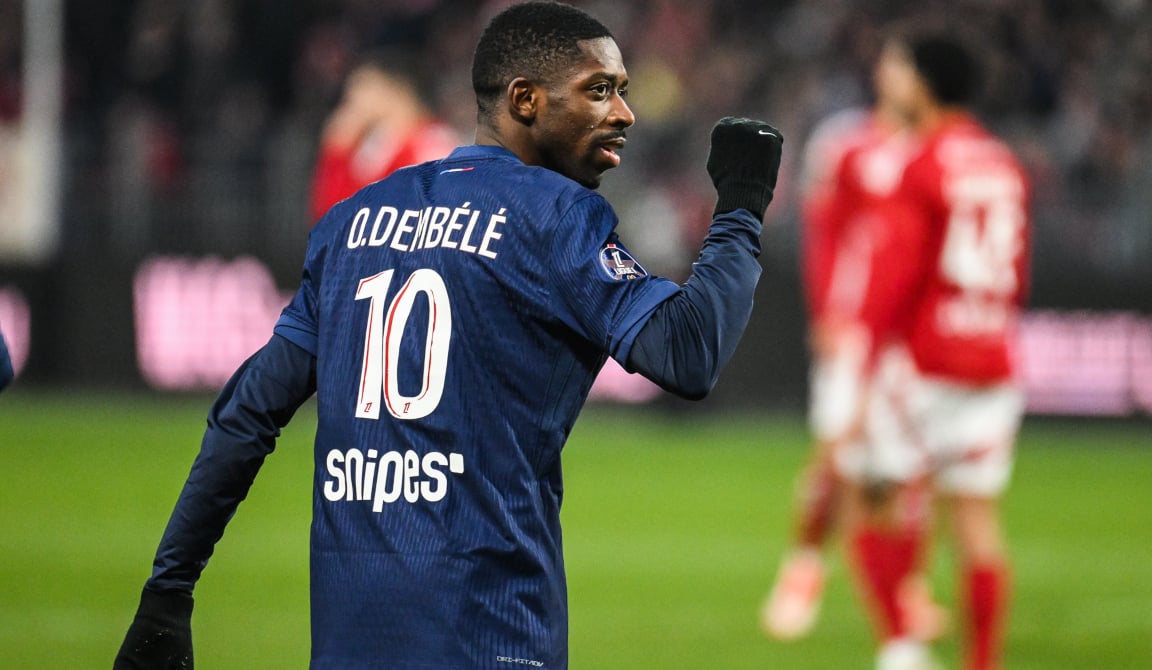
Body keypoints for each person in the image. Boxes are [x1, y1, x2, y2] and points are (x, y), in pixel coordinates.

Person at [113, 2, 783, 668]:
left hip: (349, 644)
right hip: (492, 637)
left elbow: (246, 415)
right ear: (525, 100)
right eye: (599, 90)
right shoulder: (555, 217)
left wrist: (169, 589)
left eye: (624, 91)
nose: (625, 113)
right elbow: (687, 353)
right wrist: (740, 206)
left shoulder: (352, 221)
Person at [831, 27, 1030, 670]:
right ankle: (982, 662)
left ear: (922, 81)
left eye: (899, 68)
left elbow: (896, 276)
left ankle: (902, 646)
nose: (888, 78)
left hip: (926, 359)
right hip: (992, 357)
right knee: (976, 519)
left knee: (873, 493)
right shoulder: (1002, 161)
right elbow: (1017, 272)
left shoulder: (922, 162)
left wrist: (864, 374)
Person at [760, 102, 927, 641]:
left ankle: (902, 587)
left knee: (904, 470)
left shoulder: (935, 151)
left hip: (911, 333)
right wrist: (827, 308)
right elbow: (826, 231)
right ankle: (804, 566)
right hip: (856, 324)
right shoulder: (848, 145)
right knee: (837, 456)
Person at [309, 47, 461, 223]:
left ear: (397, 90)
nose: (353, 97)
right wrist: (337, 152)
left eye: (363, 87)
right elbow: (331, 213)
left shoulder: (434, 144)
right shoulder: (376, 142)